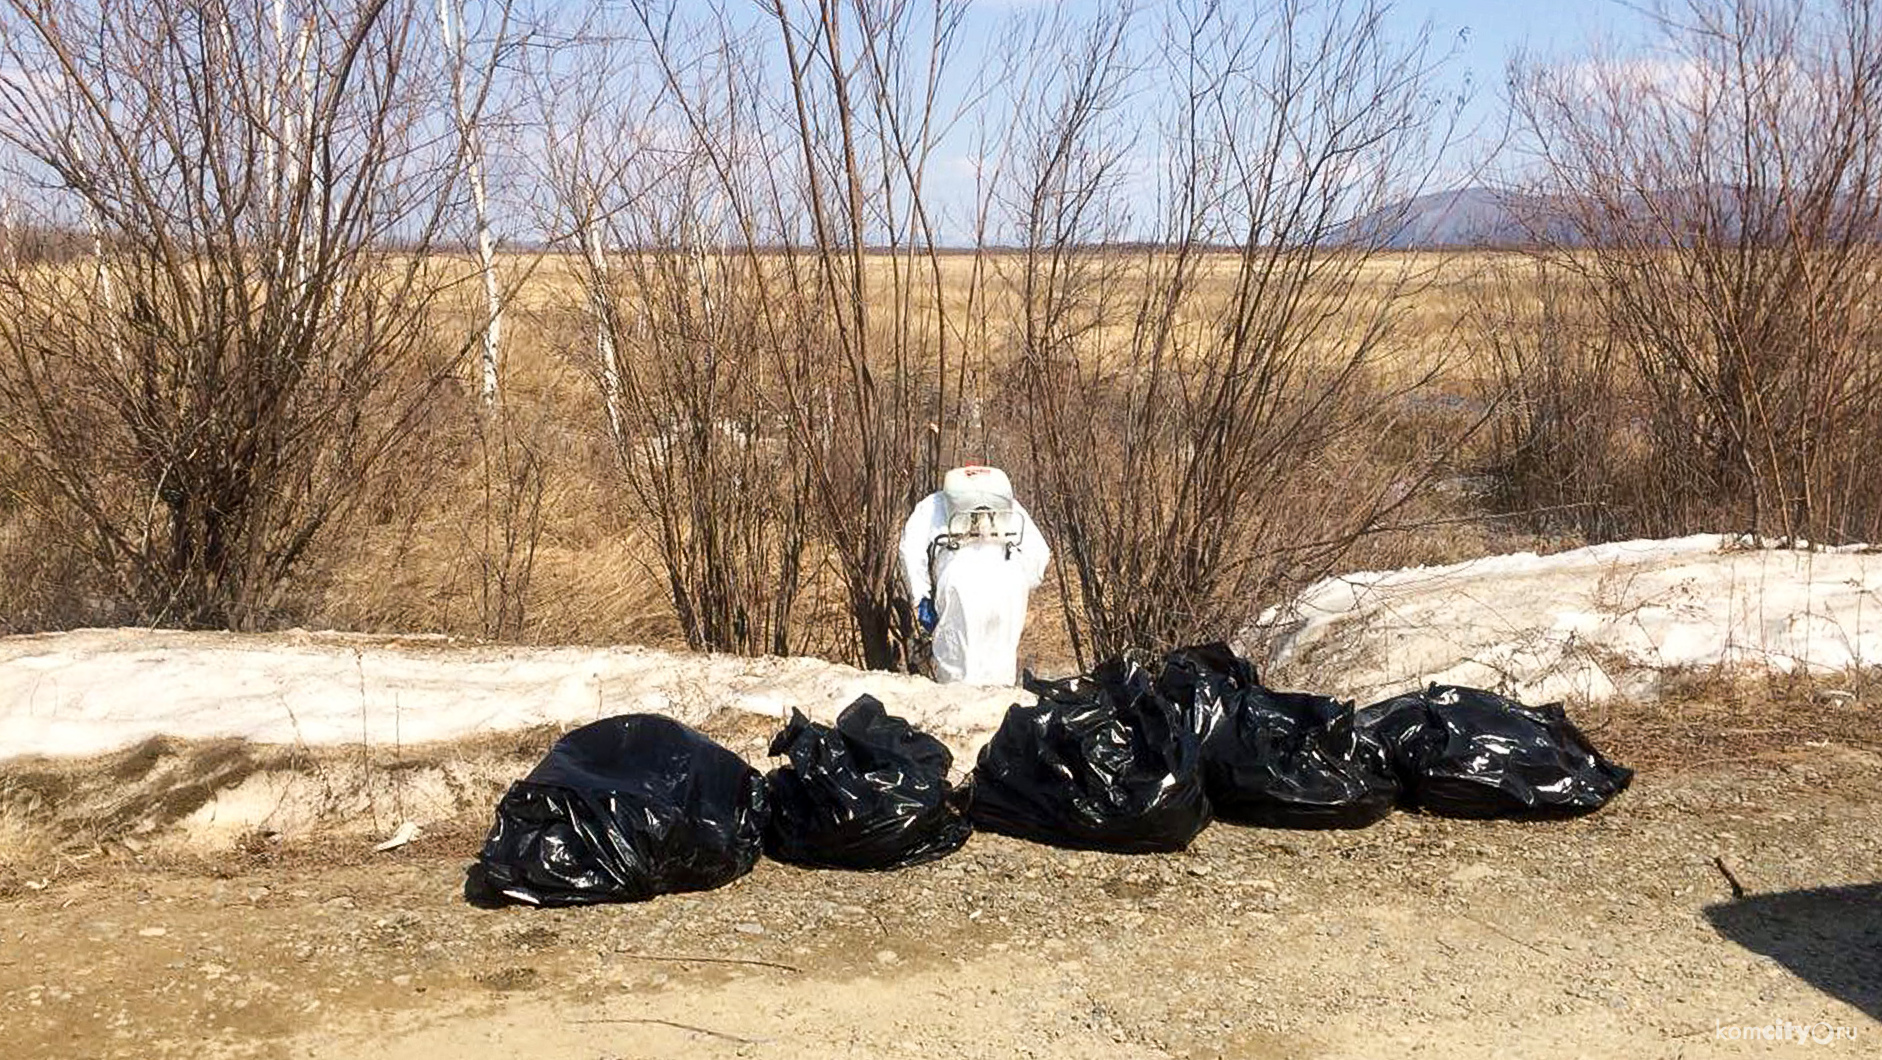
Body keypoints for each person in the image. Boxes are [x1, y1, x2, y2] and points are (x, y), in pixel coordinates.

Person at [898, 465, 1051, 685]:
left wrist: (921, 595)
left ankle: (960, 717)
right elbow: (1039, 554)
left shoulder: (932, 506)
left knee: (958, 669)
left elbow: (910, 550)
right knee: (1000, 664)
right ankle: (998, 715)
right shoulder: (1011, 507)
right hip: (1009, 582)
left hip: (959, 583)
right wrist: (1023, 582)